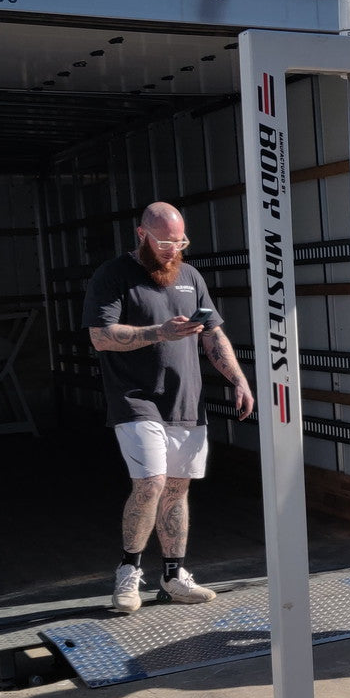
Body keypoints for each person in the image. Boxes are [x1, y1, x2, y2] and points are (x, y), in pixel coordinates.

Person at [83, 201, 254, 614]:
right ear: (142, 234)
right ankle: (129, 571)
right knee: (151, 483)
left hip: (185, 400)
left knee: (177, 488)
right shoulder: (113, 275)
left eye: (180, 242)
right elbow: (101, 336)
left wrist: (238, 379)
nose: (172, 250)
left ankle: (174, 576)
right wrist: (159, 332)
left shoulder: (190, 277)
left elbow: (212, 335)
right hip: (136, 399)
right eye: (164, 243)